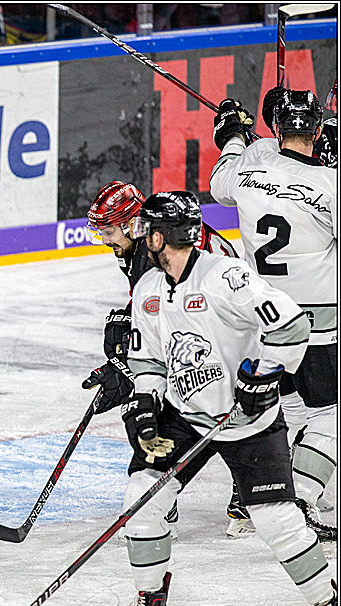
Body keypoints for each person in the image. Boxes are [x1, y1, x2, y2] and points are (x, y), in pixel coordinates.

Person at [97, 190, 335, 606]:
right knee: (142, 497)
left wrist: (265, 375)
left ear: (159, 237)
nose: (142, 237)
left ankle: (328, 603)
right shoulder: (149, 289)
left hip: (246, 420)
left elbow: (291, 324)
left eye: (147, 230)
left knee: (275, 520)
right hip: (186, 415)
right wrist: (144, 405)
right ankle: (150, 605)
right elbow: (149, 359)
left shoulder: (226, 277)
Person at [210, 89, 338, 543]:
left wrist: (233, 134)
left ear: (276, 128)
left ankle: (248, 498)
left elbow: (220, 183)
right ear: (318, 131)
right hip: (316, 322)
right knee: (332, 415)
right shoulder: (330, 185)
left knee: (279, 408)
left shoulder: (250, 164)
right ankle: (299, 498)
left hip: (263, 317)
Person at [81, 181, 239, 536]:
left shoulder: (156, 250)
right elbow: (158, 302)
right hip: (202, 326)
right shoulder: (145, 244)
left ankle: (238, 493)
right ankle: (164, 498)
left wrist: (129, 367)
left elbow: (180, 315)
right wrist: (130, 321)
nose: (104, 240)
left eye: (109, 231)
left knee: (204, 411)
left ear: (131, 225)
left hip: (222, 336)